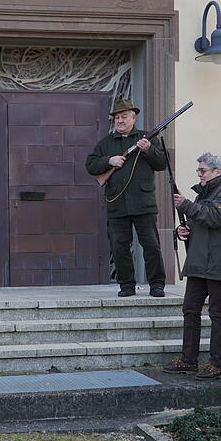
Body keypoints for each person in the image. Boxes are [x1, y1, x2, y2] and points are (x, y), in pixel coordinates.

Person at [162, 152, 221, 380]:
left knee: (218, 314)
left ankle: (217, 364)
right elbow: (201, 223)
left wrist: (186, 204)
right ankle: (189, 360)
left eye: (203, 170)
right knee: (190, 310)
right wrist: (183, 231)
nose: (199, 174)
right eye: (198, 170)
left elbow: (215, 218)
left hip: (219, 263)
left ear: (218, 172)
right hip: (199, 262)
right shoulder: (203, 194)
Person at [85, 99, 167, 297]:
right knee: (119, 246)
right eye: (117, 117)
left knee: (151, 245)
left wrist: (148, 150)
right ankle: (126, 285)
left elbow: (162, 163)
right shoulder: (106, 143)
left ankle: (156, 284)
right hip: (117, 203)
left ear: (133, 118)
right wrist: (109, 160)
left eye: (124, 116)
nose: (120, 120)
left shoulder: (147, 139)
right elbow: (91, 165)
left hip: (143, 203)